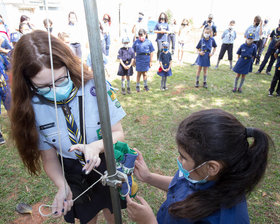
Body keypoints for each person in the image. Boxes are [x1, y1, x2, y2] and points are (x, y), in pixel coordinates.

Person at [10, 30, 127, 224]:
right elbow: (48, 157)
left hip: (105, 160)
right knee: (86, 218)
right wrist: (62, 185)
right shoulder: (31, 108)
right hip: (71, 170)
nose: (55, 91)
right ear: (28, 83)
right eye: (44, 86)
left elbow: (118, 133)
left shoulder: (95, 87)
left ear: (68, 65)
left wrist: (96, 147)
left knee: (114, 213)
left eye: (60, 80)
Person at [126, 109, 271, 224]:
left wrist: (149, 221)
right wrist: (148, 177)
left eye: (183, 157)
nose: (179, 160)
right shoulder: (201, 175)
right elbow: (180, 185)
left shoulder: (224, 218)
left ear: (212, 167)